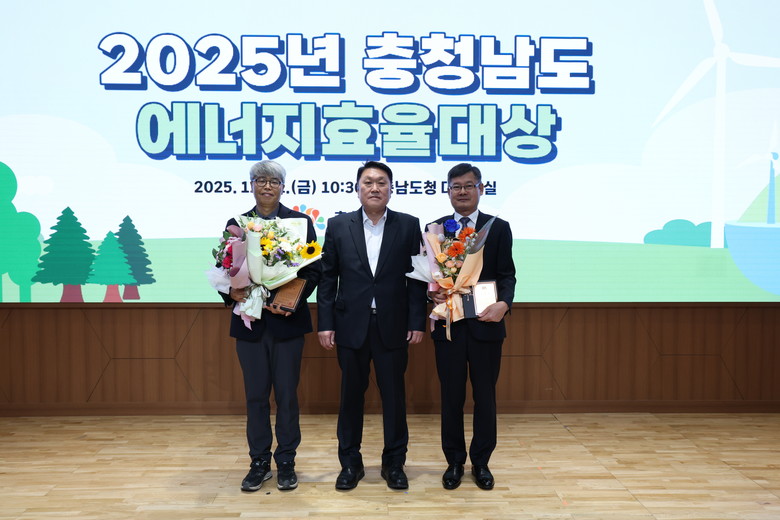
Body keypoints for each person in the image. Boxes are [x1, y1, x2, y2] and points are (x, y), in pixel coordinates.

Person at [317, 161, 427, 491]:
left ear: (391, 189)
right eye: (368, 182)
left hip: (393, 325)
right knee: (351, 397)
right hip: (350, 325)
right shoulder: (338, 225)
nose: (375, 187)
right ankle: (350, 463)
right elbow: (328, 278)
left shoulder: (408, 225)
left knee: (394, 397)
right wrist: (325, 323)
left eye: (381, 182)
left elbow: (417, 278)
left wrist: (417, 320)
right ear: (358, 189)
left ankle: (394, 463)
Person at [218, 160, 321, 492]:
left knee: (287, 396)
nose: (267, 186)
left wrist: (291, 299)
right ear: (251, 185)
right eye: (260, 180)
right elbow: (224, 266)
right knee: (255, 397)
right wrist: (230, 291)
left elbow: (313, 270)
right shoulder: (237, 224)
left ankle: (286, 461)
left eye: (273, 181)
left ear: (282, 187)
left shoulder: (299, 223)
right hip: (250, 324)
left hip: (287, 323)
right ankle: (259, 462)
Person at [428, 163, 516, 491]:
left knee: (485, 397)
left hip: (485, 324)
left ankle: (481, 462)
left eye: (468, 185)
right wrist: (432, 293)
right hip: (449, 326)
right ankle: (454, 461)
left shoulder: (498, 228)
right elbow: (429, 277)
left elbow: (507, 274)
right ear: (448, 191)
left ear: (480, 189)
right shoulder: (435, 229)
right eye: (456, 186)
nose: (462, 192)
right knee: (451, 397)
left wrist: (504, 304)